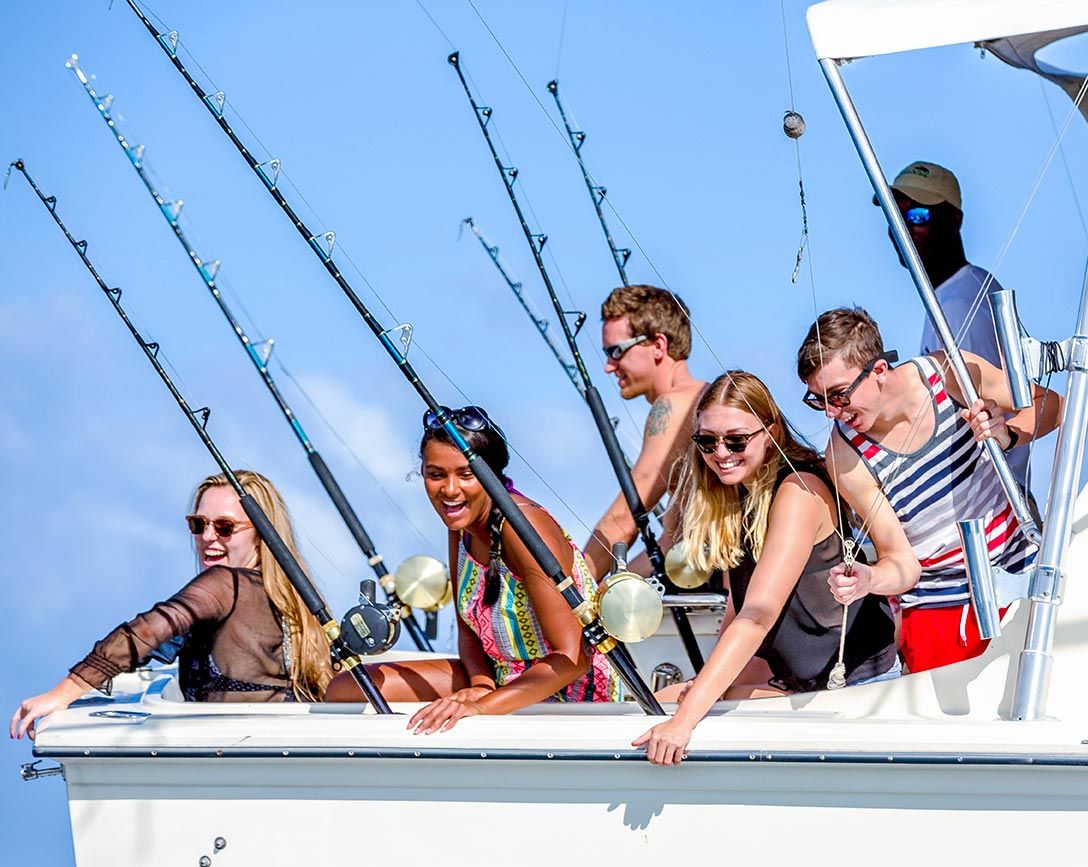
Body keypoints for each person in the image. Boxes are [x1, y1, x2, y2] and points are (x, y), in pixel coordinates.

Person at [633, 372, 921, 766]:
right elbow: (736, 611)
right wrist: (701, 690)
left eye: (736, 440)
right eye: (706, 441)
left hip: (855, 690)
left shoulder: (798, 490)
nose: (720, 452)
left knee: (678, 710)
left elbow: (757, 616)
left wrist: (684, 721)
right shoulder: (737, 496)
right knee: (658, 702)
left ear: (769, 432)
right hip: (797, 687)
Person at [797, 308, 1063, 676]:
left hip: (1020, 577)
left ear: (878, 371)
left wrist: (1009, 435)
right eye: (818, 400)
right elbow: (901, 562)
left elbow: (1052, 405)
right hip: (936, 616)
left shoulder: (950, 374)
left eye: (839, 396)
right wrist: (867, 579)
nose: (830, 413)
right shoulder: (845, 456)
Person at [328, 406, 621, 732]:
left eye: (466, 475)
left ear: (492, 475)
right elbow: (469, 633)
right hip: (499, 677)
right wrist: (481, 685)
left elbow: (573, 659)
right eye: (436, 474)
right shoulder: (460, 526)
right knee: (346, 689)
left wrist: (482, 707)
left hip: (568, 691)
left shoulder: (523, 528)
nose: (450, 490)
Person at [10, 471, 334, 739]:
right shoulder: (290, 597)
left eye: (224, 527)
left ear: (262, 535)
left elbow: (147, 632)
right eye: (198, 524)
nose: (208, 537)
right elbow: (159, 645)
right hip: (280, 743)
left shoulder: (225, 583)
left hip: (236, 753)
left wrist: (63, 692)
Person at [886, 160, 1032, 488]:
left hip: (990, 510)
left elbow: (984, 409)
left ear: (954, 220)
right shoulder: (951, 294)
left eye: (917, 216)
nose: (901, 228)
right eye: (894, 217)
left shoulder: (962, 302)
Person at [584, 284, 707, 580]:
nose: (609, 367)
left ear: (658, 345)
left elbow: (623, 519)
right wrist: (605, 595)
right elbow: (670, 544)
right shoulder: (705, 397)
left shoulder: (674, 405)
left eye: (616, 351)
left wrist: (570, 592)